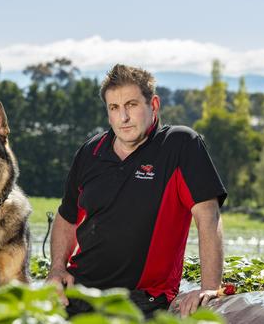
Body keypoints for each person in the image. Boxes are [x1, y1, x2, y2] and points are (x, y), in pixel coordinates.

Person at [46, 64, 226, 318]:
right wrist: (56, 268)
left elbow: (208, 216)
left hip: (143, 299)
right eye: (114, 108)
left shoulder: (179, 145)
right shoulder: (90, 151)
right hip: (79, 291)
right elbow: (67, 217)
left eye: (131, 105)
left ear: (153, 105)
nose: (123, 118)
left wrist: (209, 287)